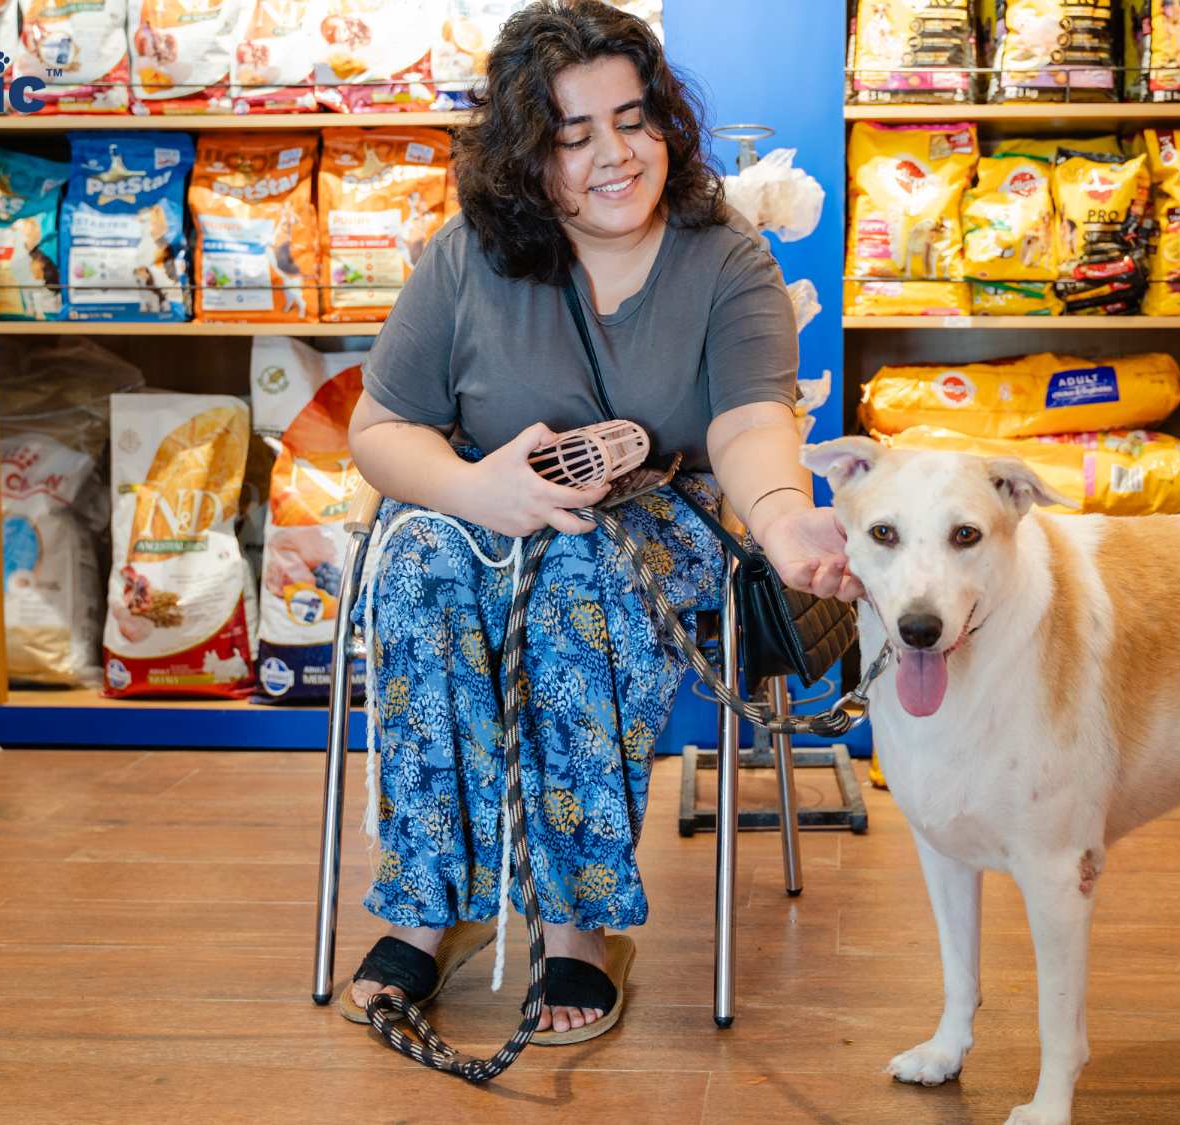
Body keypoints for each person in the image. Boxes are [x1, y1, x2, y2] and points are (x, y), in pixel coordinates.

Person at [340, 0, 861, 1043]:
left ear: (666, 118)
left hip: (652, 514)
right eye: (572, 137)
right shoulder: (466, 255)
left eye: (632, 119)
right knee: (416, 573)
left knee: (584, 579)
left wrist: (784, 518)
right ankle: (428, 905)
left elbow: (752, 417)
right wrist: (476, 490)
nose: (614, 156)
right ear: (525, 157)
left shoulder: (727, 258)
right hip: (472, 505)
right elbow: (381, 427)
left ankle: (577, 928)